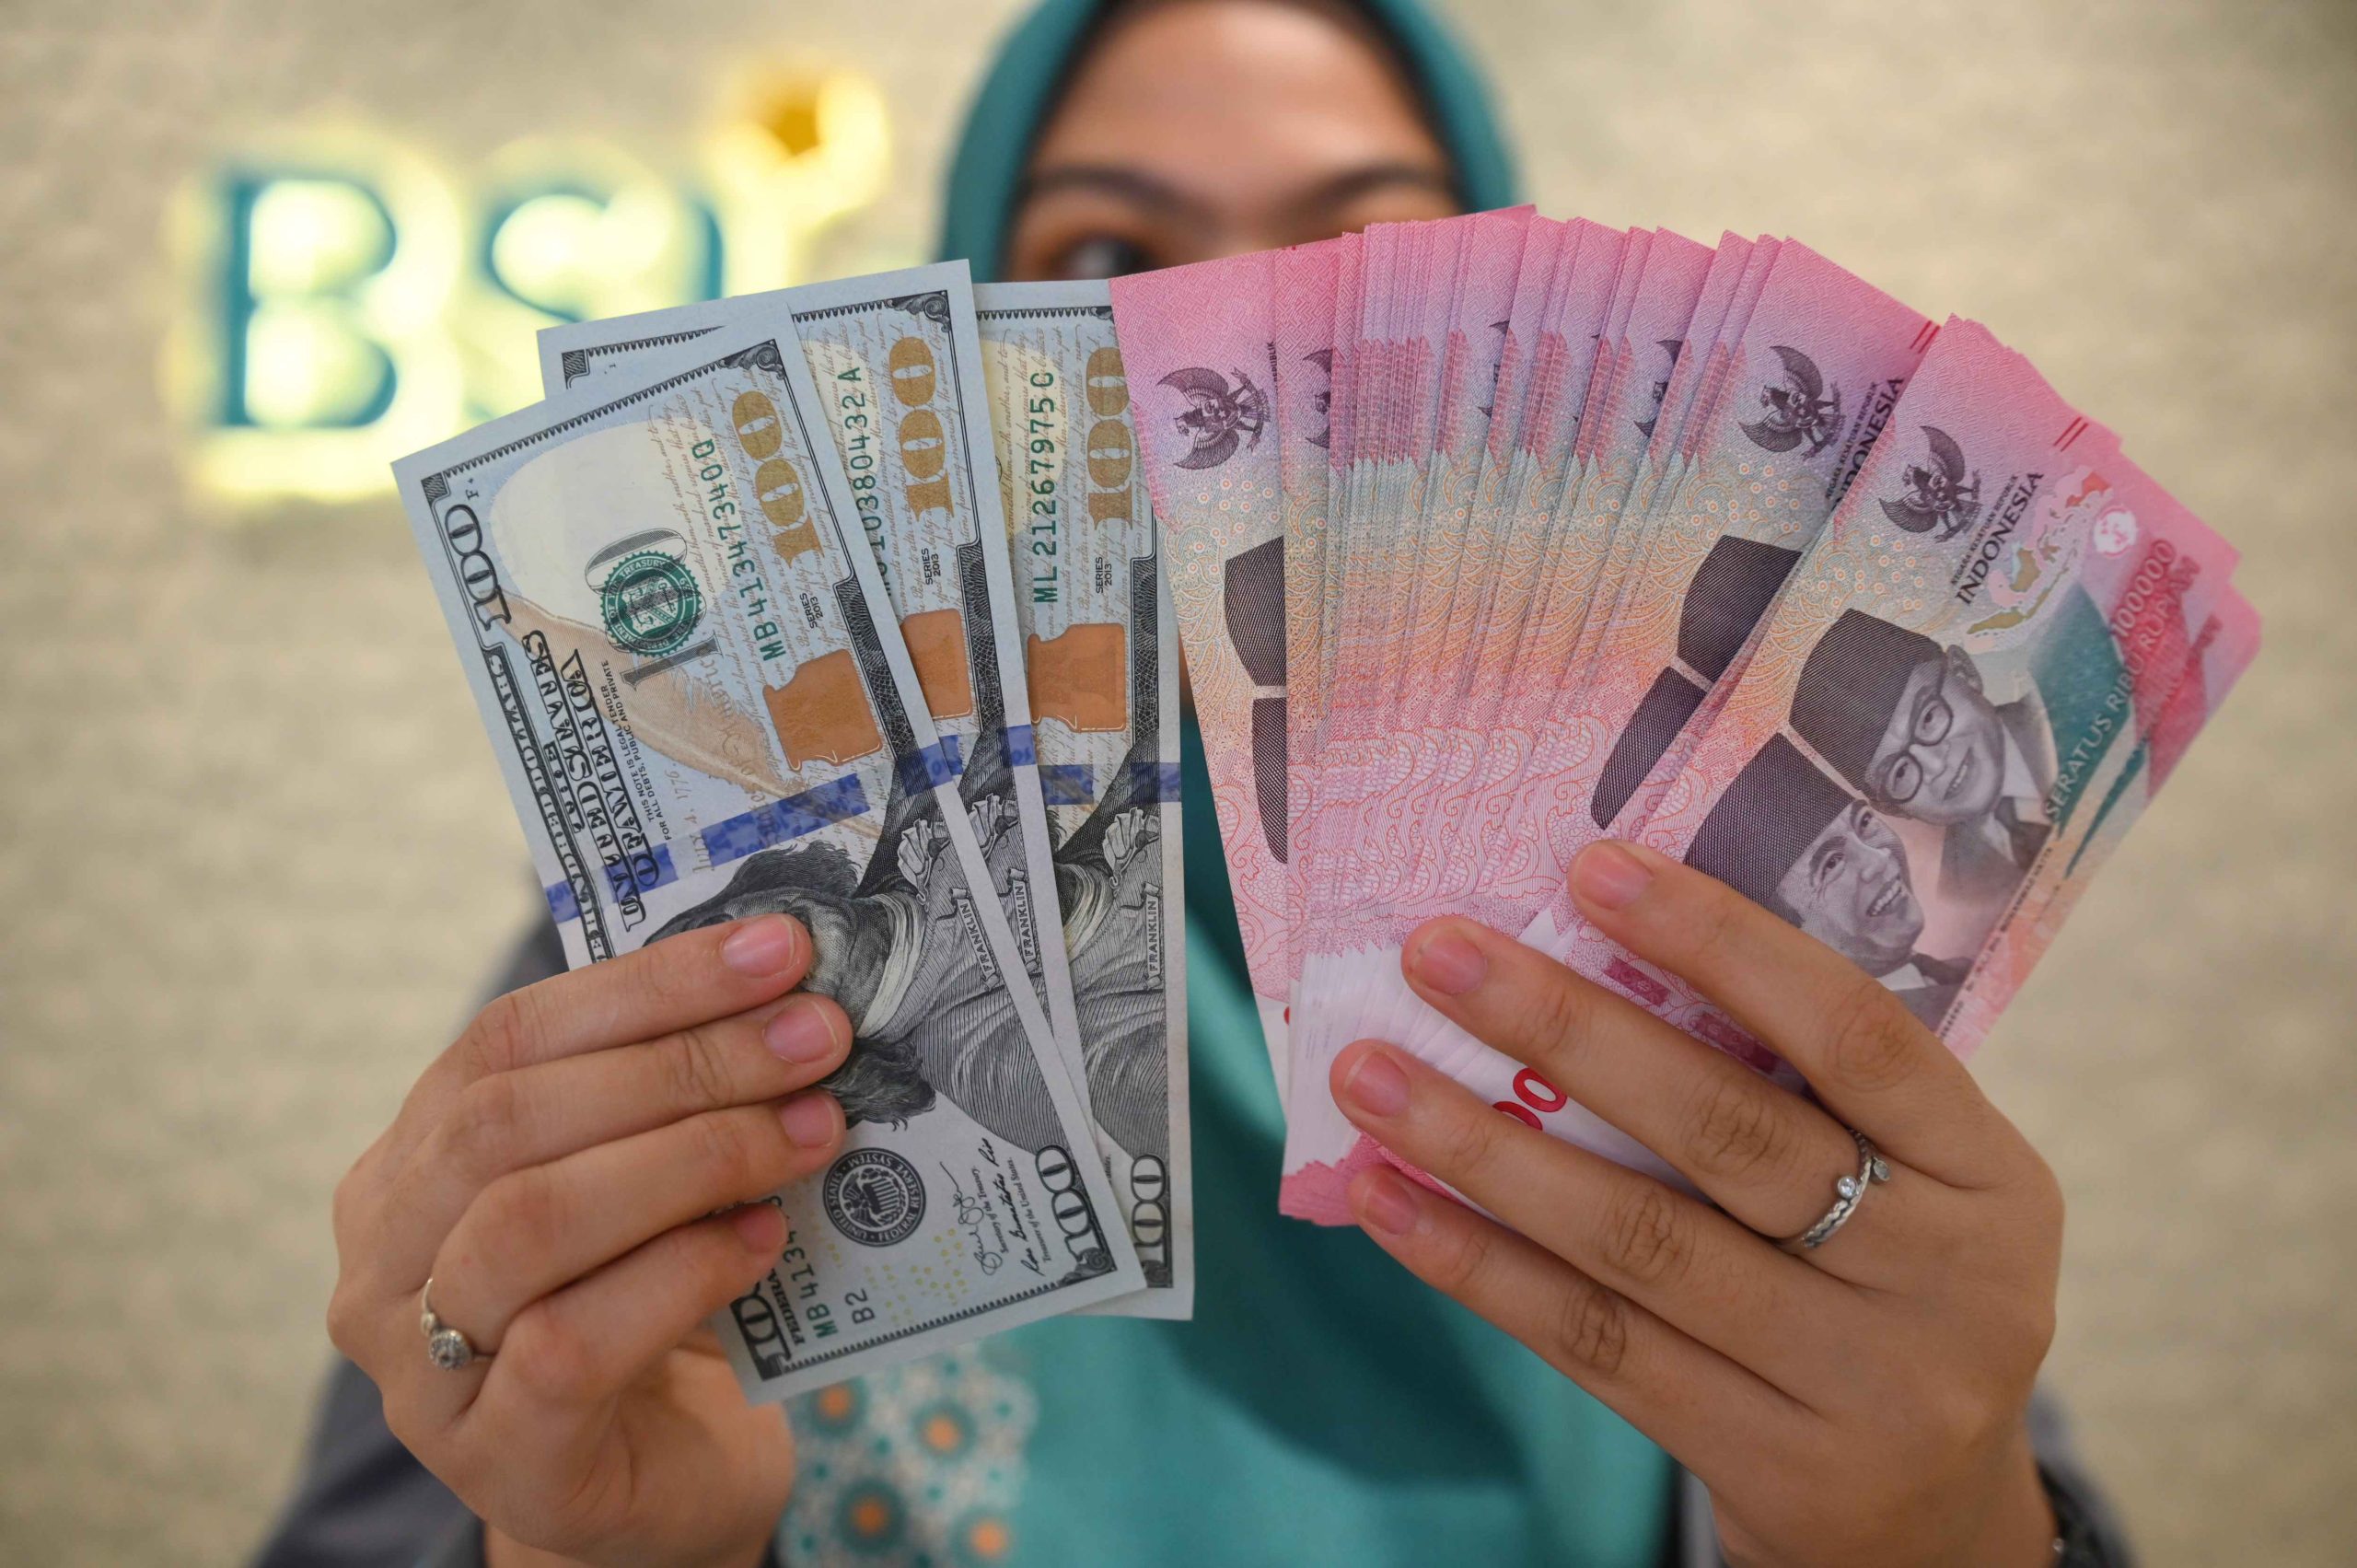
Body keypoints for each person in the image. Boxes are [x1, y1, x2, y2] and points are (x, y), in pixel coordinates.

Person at [260, 2, 2132, 1564]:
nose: (1226, 353)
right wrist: (596, 1548)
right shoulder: (738, 933)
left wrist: (1939, 1524)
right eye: (1102, 259)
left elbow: (1925, 1461)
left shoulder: (1713, 917)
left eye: (1367, 256)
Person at [1683, 735, 1966, 1029]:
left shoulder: (1953, 972)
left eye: (1864, 822)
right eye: (1832, 864)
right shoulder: (1859, 1033)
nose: (1879, 859)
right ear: (1781, 925)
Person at [1789, 608, 2059, 913]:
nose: (1935, 765)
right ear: (1892, 809)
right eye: (1900, 772)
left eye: (1929, 717)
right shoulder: (1961, 899)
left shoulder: (2078, 700)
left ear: (1963, 671)